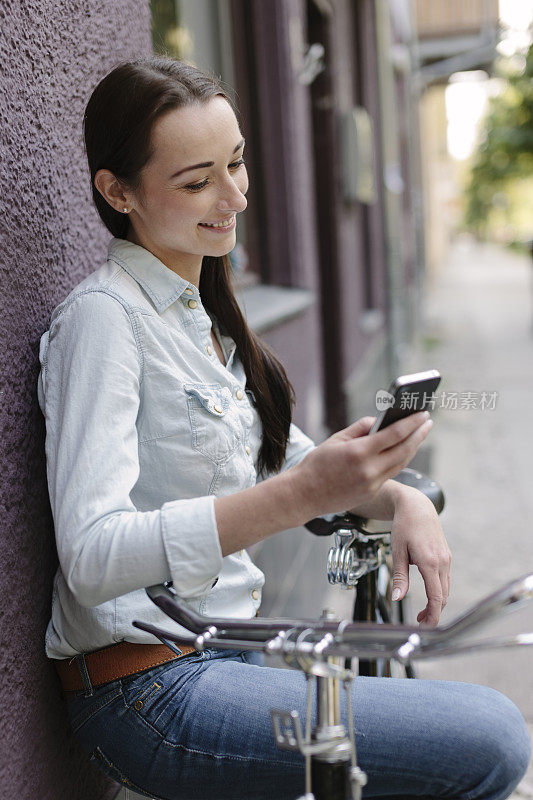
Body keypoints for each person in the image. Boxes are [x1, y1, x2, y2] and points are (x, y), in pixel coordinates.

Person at [38, 57, 530, 800]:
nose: (233, 196)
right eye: (197, 180)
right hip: (147, 688)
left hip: (230, 653)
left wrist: (397, 497)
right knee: (490, 737)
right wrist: (304, 494)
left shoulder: (203, 323)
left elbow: (294, 464)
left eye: (236, 163)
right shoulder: (104, 322)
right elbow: (90, 553)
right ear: (117, 191)